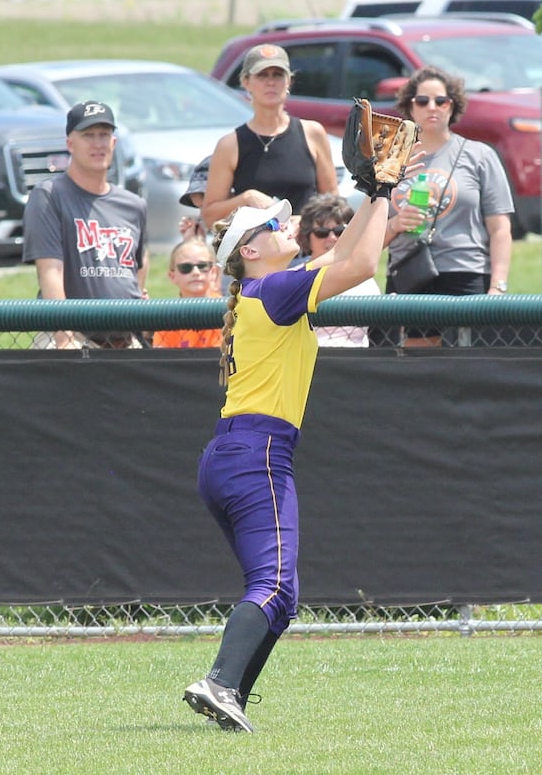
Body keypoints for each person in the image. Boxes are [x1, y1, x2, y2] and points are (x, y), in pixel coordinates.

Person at [182, 188, 393, 734]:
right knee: (273, 585)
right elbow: (365, 263)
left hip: (230, 453)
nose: (285, 226)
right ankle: (219, 683)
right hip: (257, 453)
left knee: (283, 592)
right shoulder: (274, 290)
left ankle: (232, 698)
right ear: (249, 251)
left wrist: (374, 195)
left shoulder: (267, 288)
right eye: (269, 227)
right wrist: (384, 196)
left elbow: (343, 253)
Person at [382, 66, 515, 347]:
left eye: (441, 101)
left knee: (468, 363)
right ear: (409, 107)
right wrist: (396, 224)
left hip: (465, 270)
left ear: (452, 106)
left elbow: (500, 227)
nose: (432, 107)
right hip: (410, 271)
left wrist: (497, 286)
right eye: (422, 101)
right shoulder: (390, 160)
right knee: (417, 363)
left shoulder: (478, 155)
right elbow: (367, 235)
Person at [23, 100, 150, 349]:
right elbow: (50, 270)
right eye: (88, 135)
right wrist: (64, 337)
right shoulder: (49, 196)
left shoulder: (133, 205)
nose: (98, 144)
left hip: (125, 339)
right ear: (70, 144)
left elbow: (139, 266)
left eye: (104, 135)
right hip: (75, 335)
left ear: (114, 143)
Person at [200, 44, 338, 228]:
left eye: (277, 75)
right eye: (262, 75)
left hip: (305, 249)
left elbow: (333, 203)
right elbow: (210, 216)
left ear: (289, 81)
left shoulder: (312, 133)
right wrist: (247, 198)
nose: (270, 82)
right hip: (256, 251)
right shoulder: (231, 144)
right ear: (246, 82)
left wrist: (299, 223)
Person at [295, 193, 376, 348]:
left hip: (355, 359)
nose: (331, 237)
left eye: (340, 231)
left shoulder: (363, 275)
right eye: (322, 232)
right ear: (306, 236)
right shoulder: (294, 276)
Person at [150, 237, 223, 349]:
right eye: (186, 267)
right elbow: (161, 358)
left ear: (213, 272)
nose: (195, 272)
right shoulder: (167, 317)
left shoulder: (224, 310)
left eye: (202, 266)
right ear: (172, 276)